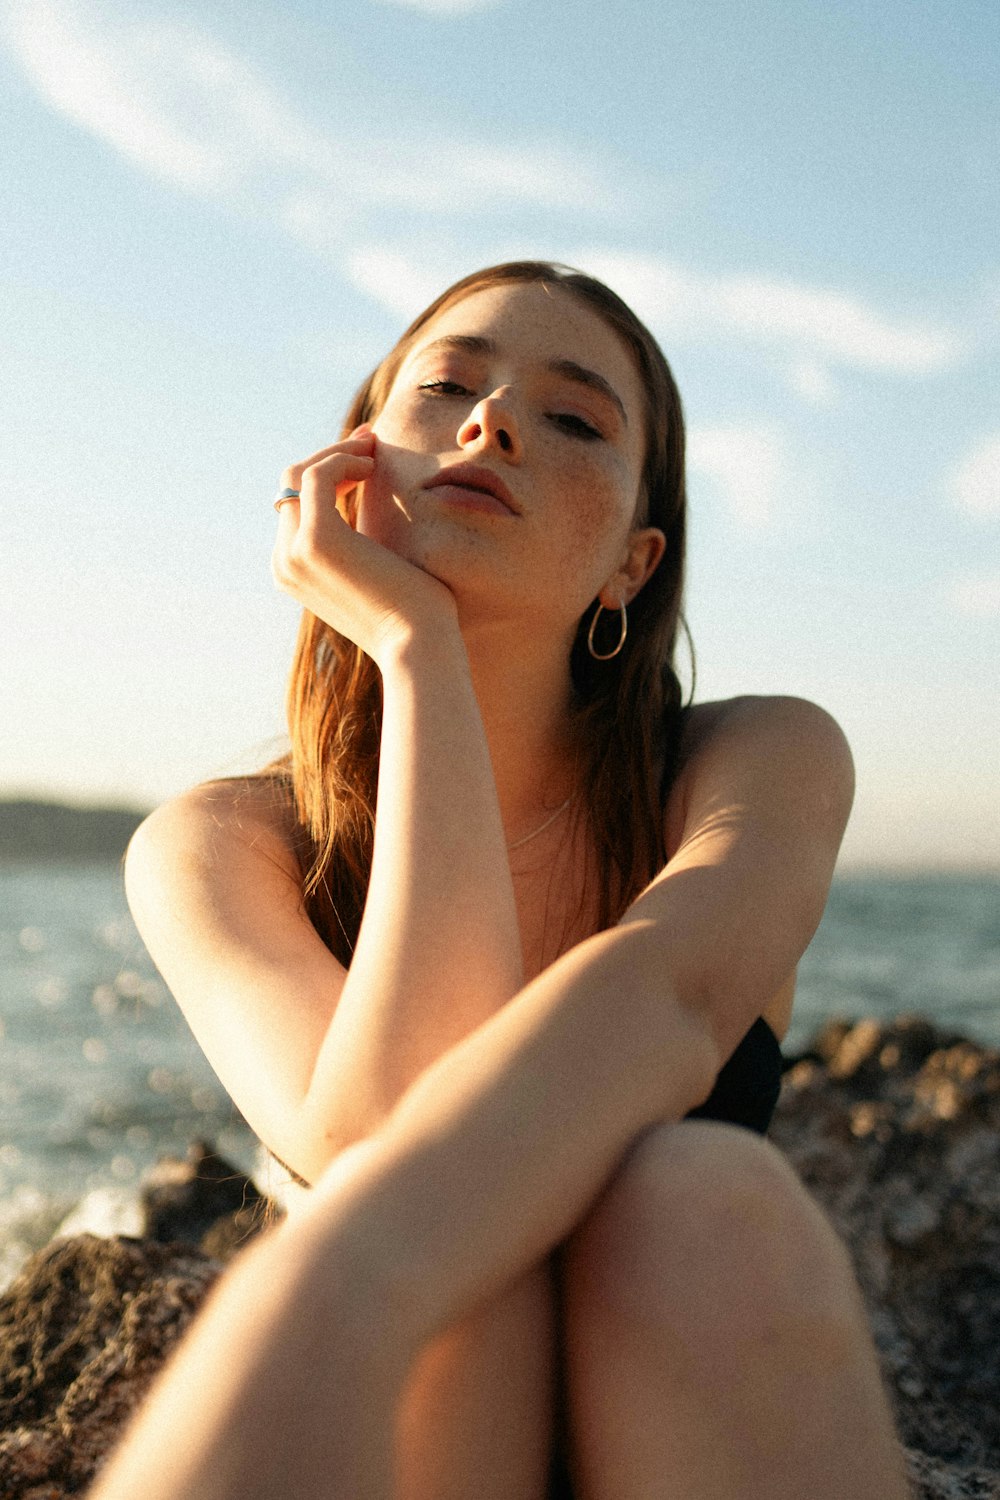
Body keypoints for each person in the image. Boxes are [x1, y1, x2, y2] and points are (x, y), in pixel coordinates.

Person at [101, 261, 910, 1500]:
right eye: (447, 387)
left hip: (681, 1371)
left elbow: (674, 997)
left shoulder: (751, 762)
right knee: (470, 1276)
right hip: (434, 1408)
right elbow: (383, 1128)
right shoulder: (224, 844)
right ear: (349, 468)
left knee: (697, 1193)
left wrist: (327, 1297)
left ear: (632, 566)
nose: (495, 424)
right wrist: (415, 652)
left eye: (575, 417)